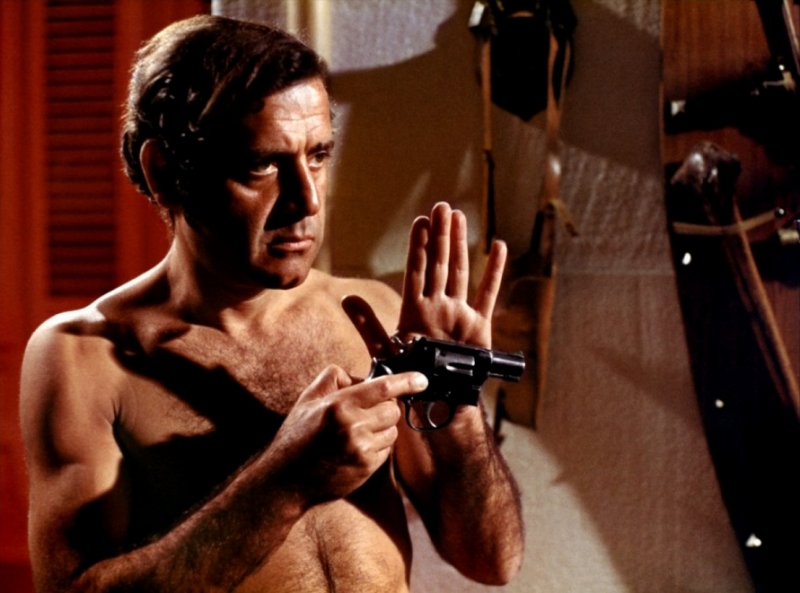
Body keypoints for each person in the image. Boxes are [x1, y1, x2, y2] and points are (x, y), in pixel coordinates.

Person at [20, 14, 524, 593]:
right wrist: (284, 483)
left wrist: (458, 406)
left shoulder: (375, 316)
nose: (307, 201)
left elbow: (491, 560)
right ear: (166, 172)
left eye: (318, 155)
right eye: (261, 164)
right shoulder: (82, 356)